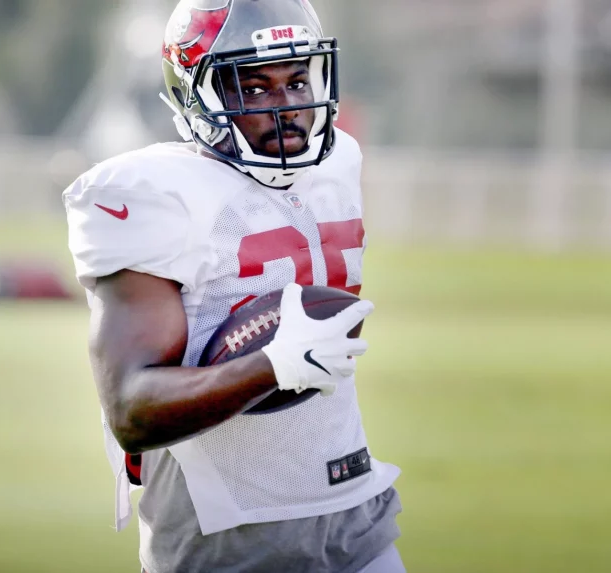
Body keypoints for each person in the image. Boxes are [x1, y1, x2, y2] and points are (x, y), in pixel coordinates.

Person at [63, 1, 404, 571]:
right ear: (202, 97)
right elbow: (131, 411)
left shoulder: (337, 162)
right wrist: (270, 366)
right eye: (257, 87)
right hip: (223, 538)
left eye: (298, 80)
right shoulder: (155, 195)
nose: (290, 106)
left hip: (351, 508)